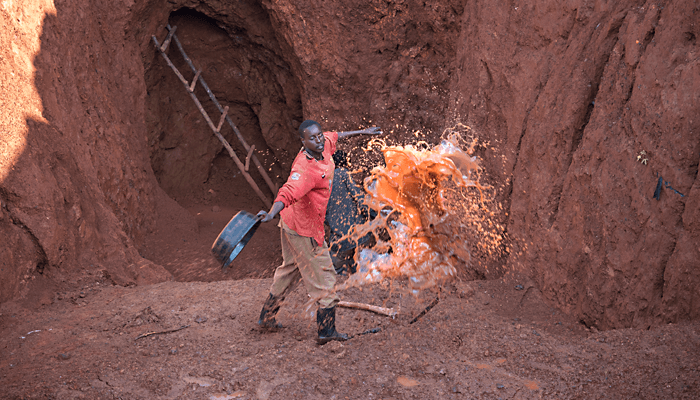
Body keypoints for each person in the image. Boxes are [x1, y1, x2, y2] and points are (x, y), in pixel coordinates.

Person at [256, 119, 381, 344]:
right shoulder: (304, 168)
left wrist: (364, 131)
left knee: (289, 270)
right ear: (302, 142)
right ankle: (326, 331)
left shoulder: (323, 147)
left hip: (292, 223)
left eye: (319, 135)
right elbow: (288, 191)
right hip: (303, 230)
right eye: (312, 138)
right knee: (326, 279)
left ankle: (267, 317)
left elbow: (337, 135)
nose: (318, 139)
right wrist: (271, 212)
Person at [326, 150, 375, 275]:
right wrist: (372, 215)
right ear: (345, 162)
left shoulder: (325, 180)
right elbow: (358, 197)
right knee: (360, 269)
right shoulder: (343, 173)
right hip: (357, 232)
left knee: (337, 271)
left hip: (338, 237)